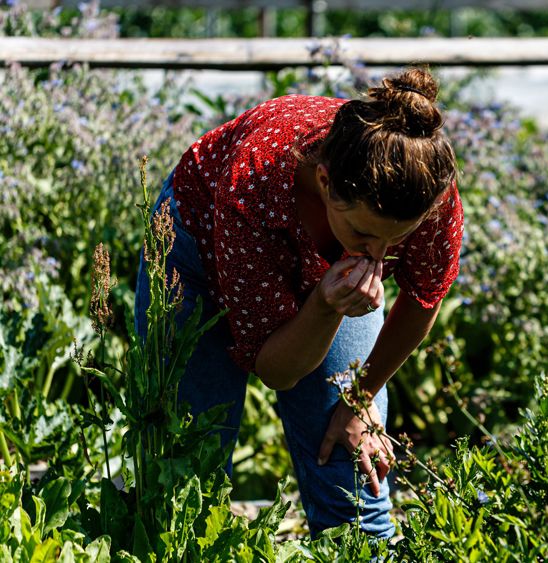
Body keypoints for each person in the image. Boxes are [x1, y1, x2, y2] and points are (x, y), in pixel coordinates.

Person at [134, 67, 463, 539]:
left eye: (397, 242)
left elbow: (423, 297)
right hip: (197, 251)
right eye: (365, 235)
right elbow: (277, 369)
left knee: (352, 463)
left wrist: (361, 398)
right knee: (186, 478)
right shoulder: (253, 183)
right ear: (326, 182)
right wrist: (325, 307)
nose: (378, 257)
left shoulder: (424, 188)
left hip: (303, 261)